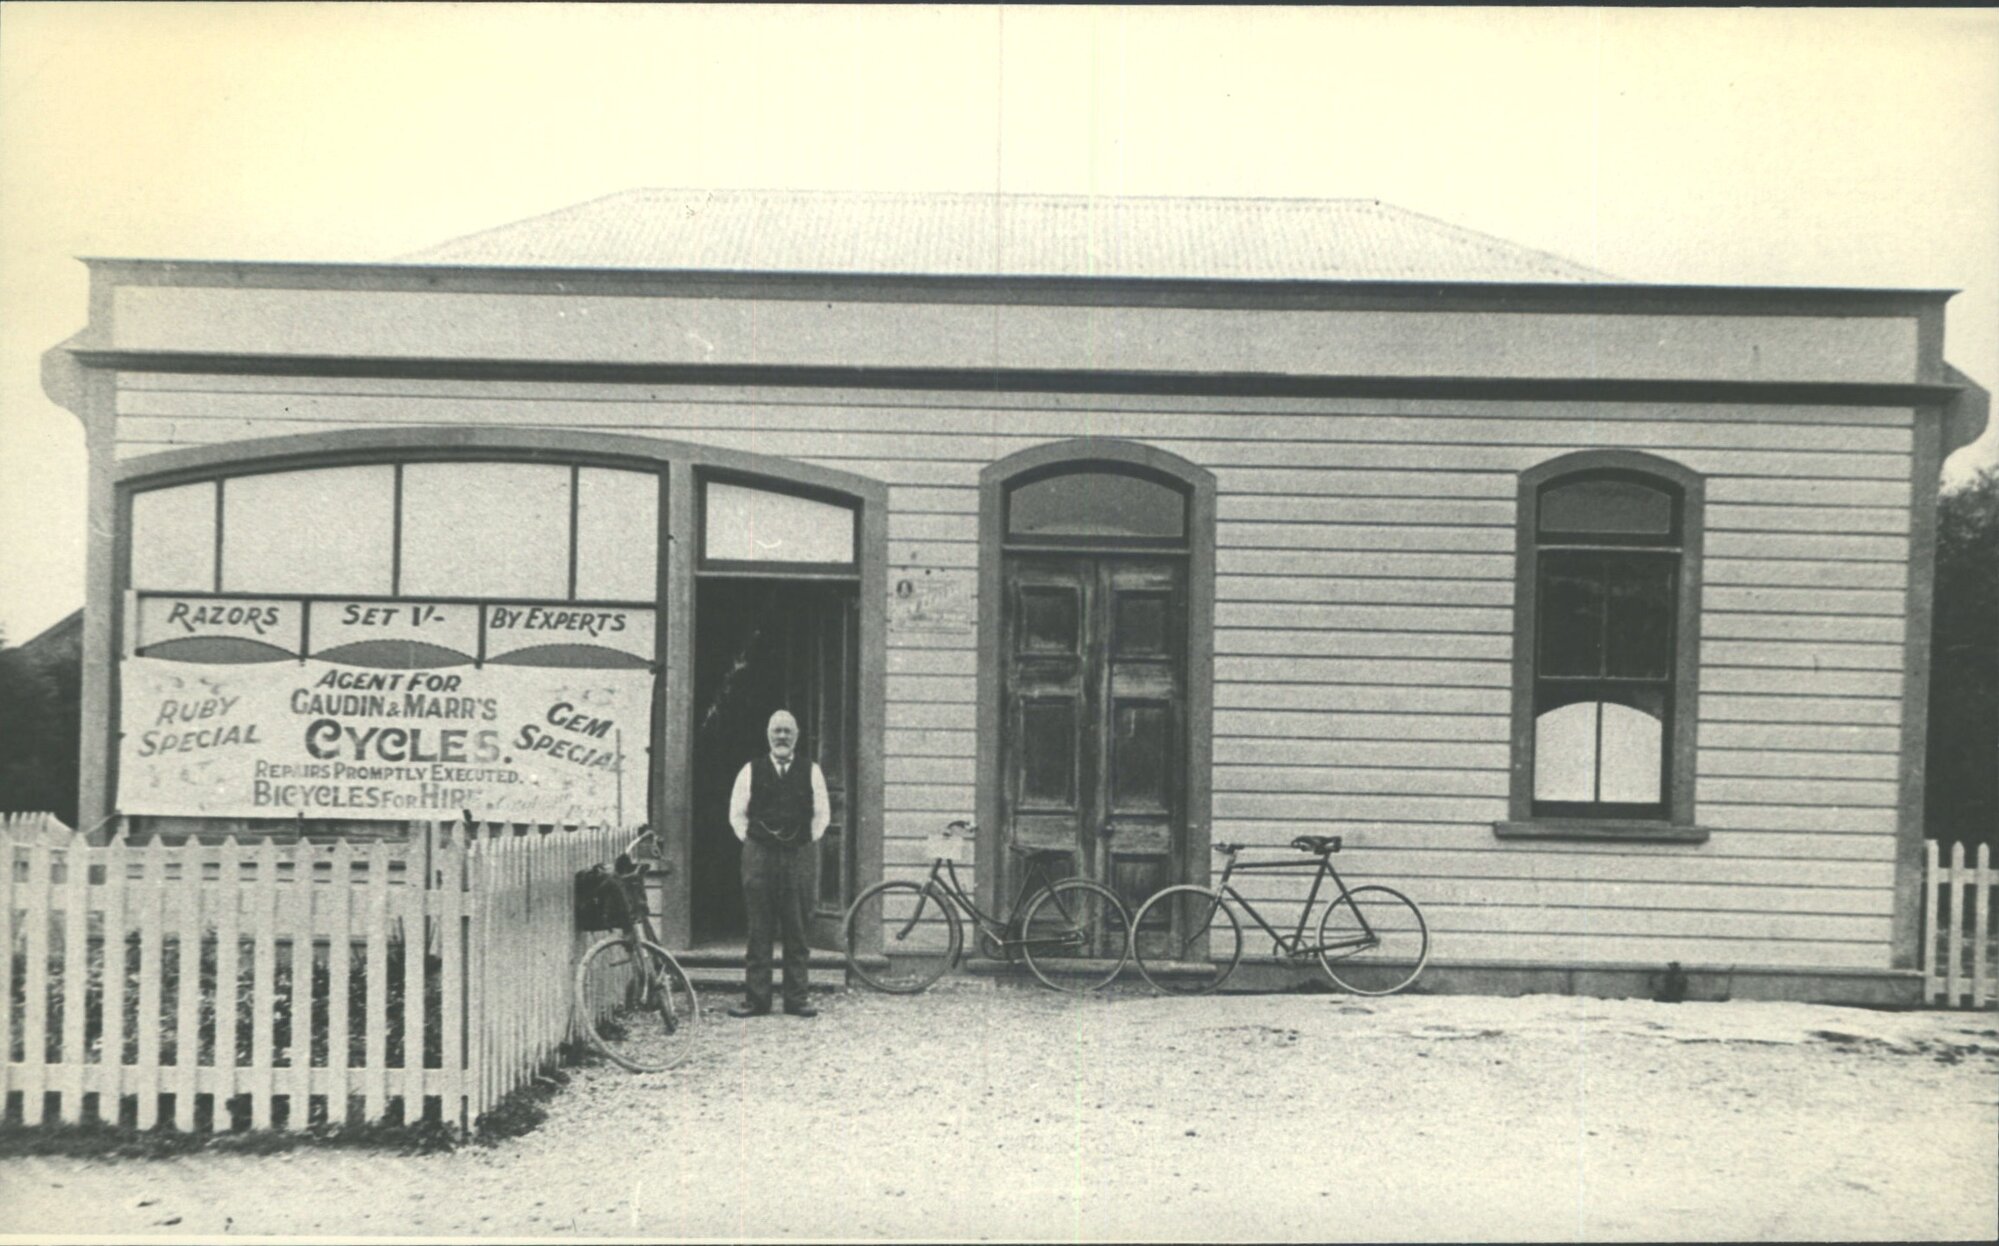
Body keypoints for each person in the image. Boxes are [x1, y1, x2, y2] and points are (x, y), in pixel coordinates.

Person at [726, 708, 830, 1018]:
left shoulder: (811, 770)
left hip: (797, 855)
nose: (782, 736)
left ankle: (796, 999)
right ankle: (757, 1000)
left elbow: (822, 814)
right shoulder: (750, 770)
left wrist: (800, 841)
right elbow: (736, 814)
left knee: (796, 927)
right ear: (768, 735)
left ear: (796, 735)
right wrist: (757, 842)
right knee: (759, 927)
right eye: (777, 731)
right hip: (759, 855)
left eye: (787, 731)